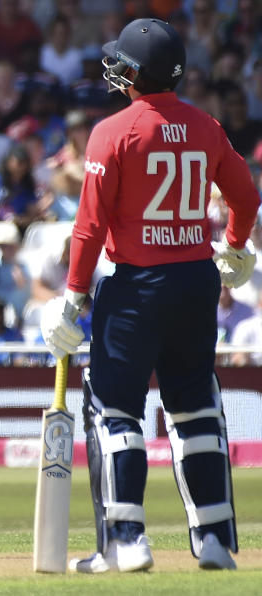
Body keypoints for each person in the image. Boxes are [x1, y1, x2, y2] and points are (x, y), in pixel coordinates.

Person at [40, 19, 259, 574]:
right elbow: (246, 194)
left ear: (133, 73)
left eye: (120, 63)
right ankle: (213, 541)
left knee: (115, 410)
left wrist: (73, 297)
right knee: (194, 407)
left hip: (135, 285)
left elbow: (88, 228)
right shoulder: (206, 125)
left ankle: (126, 541)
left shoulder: (111, 132)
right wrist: (235, 247)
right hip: (194, 284)